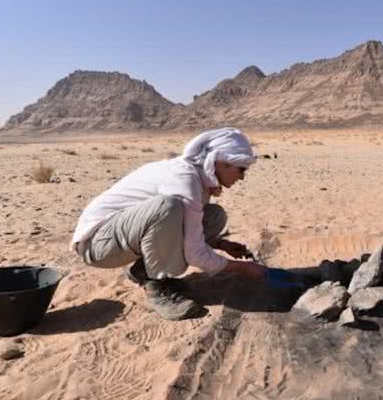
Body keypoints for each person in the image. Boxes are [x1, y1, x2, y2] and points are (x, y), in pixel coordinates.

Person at [70, 127, 267, 320]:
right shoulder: (184, 178)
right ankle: (157, 287)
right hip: (97, 246)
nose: (241, 177)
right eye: (240, 169)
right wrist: (241, 268)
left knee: (214, 216)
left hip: (121, 235)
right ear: (222, 162)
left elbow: (188, 229)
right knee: (168, 206)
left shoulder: (196, 176)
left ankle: (141, 270)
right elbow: (194, 253)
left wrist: (220, 244)